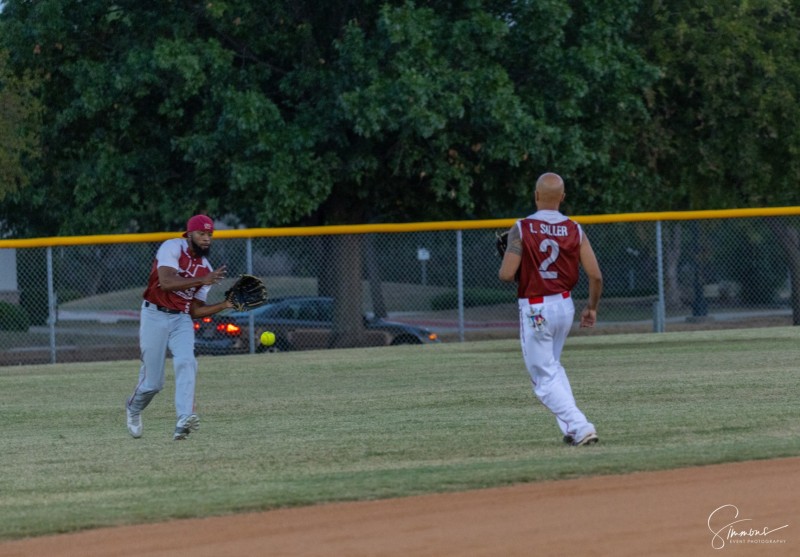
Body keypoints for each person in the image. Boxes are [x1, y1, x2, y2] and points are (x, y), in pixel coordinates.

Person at [498, 172, 603, 447]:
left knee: (542, 379)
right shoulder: (574, 228)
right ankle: (571, 428)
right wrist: (591, 308)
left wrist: (515, 256)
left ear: (536, 196)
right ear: (563, 197)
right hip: (564, 306)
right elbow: (596, 276)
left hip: (536, 308)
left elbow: (507, 274)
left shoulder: (522, 228)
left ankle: (581, 426)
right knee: (553, 367)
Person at [126, 214, 233, 440]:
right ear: (190, 234)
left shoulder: (207, 269)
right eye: (201, 234)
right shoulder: (172, 247)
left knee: (186, 361)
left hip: (181, 318)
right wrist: (202, 281)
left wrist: (225, 304)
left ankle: (184, 418)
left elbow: (195, 311)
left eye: (210, 235)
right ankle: (133, 409)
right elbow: (165, 283)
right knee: (153, 384)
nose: (206, 239)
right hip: (154, 314)